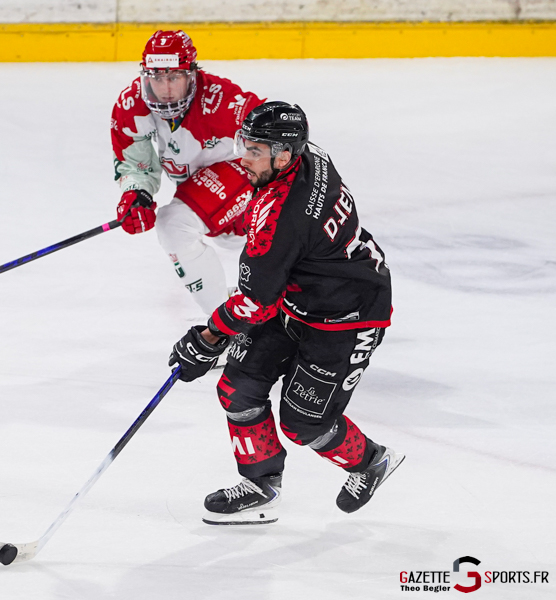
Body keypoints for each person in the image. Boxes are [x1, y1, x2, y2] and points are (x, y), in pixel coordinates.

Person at [168, 101, 404, 525]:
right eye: (246, 145)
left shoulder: (283, 218)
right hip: (297, 295)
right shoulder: (308, 156)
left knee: (304, 423)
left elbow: (254, 299)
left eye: (255, 150)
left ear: (283, 154)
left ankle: (370, 462)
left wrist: (207, 340)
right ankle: (261, 484)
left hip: (348, 316)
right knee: (237, 387)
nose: (244, 158)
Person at [111, 30, 265, 314]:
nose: (165, 88)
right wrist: (136, 193)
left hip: (243, 174)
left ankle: (227, 325)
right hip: (205, 194)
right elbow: (135, 164)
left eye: (174, 77)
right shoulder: (132, 106)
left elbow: (276, 133)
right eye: (157, 78)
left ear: (191, 75)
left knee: (175, 225)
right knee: (232, 240)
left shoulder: (222, 101)